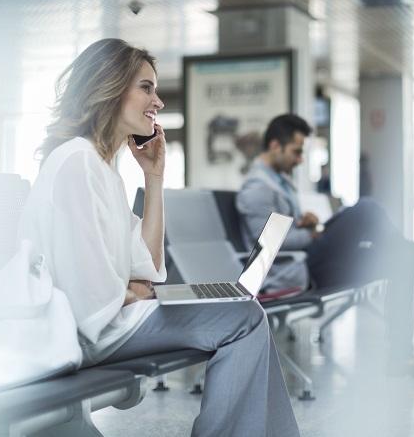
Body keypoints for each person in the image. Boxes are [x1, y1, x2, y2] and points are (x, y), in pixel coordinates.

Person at [18, 39, 300, 437]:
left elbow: (148, 267)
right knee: (244, 317)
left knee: (244, 311)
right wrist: (129, 291)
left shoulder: (102, 169)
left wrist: (154, 178)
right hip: (91, 332)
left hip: (109, 320)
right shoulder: (76, 162)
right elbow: (89, 296)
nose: (159, 102)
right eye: (146, 88)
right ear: (111, 88)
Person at [236, 113, 414, 378]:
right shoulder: (257, 189)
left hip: (310, 259)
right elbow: (265, 248)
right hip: (298, 270)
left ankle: (402, 358)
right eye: (296, 152)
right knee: (367, 208)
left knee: (400, 260)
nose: (300, 160)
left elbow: (282, 228)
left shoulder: (278, 181)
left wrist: (305, 224)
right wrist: (312, 235)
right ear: (275, 145)